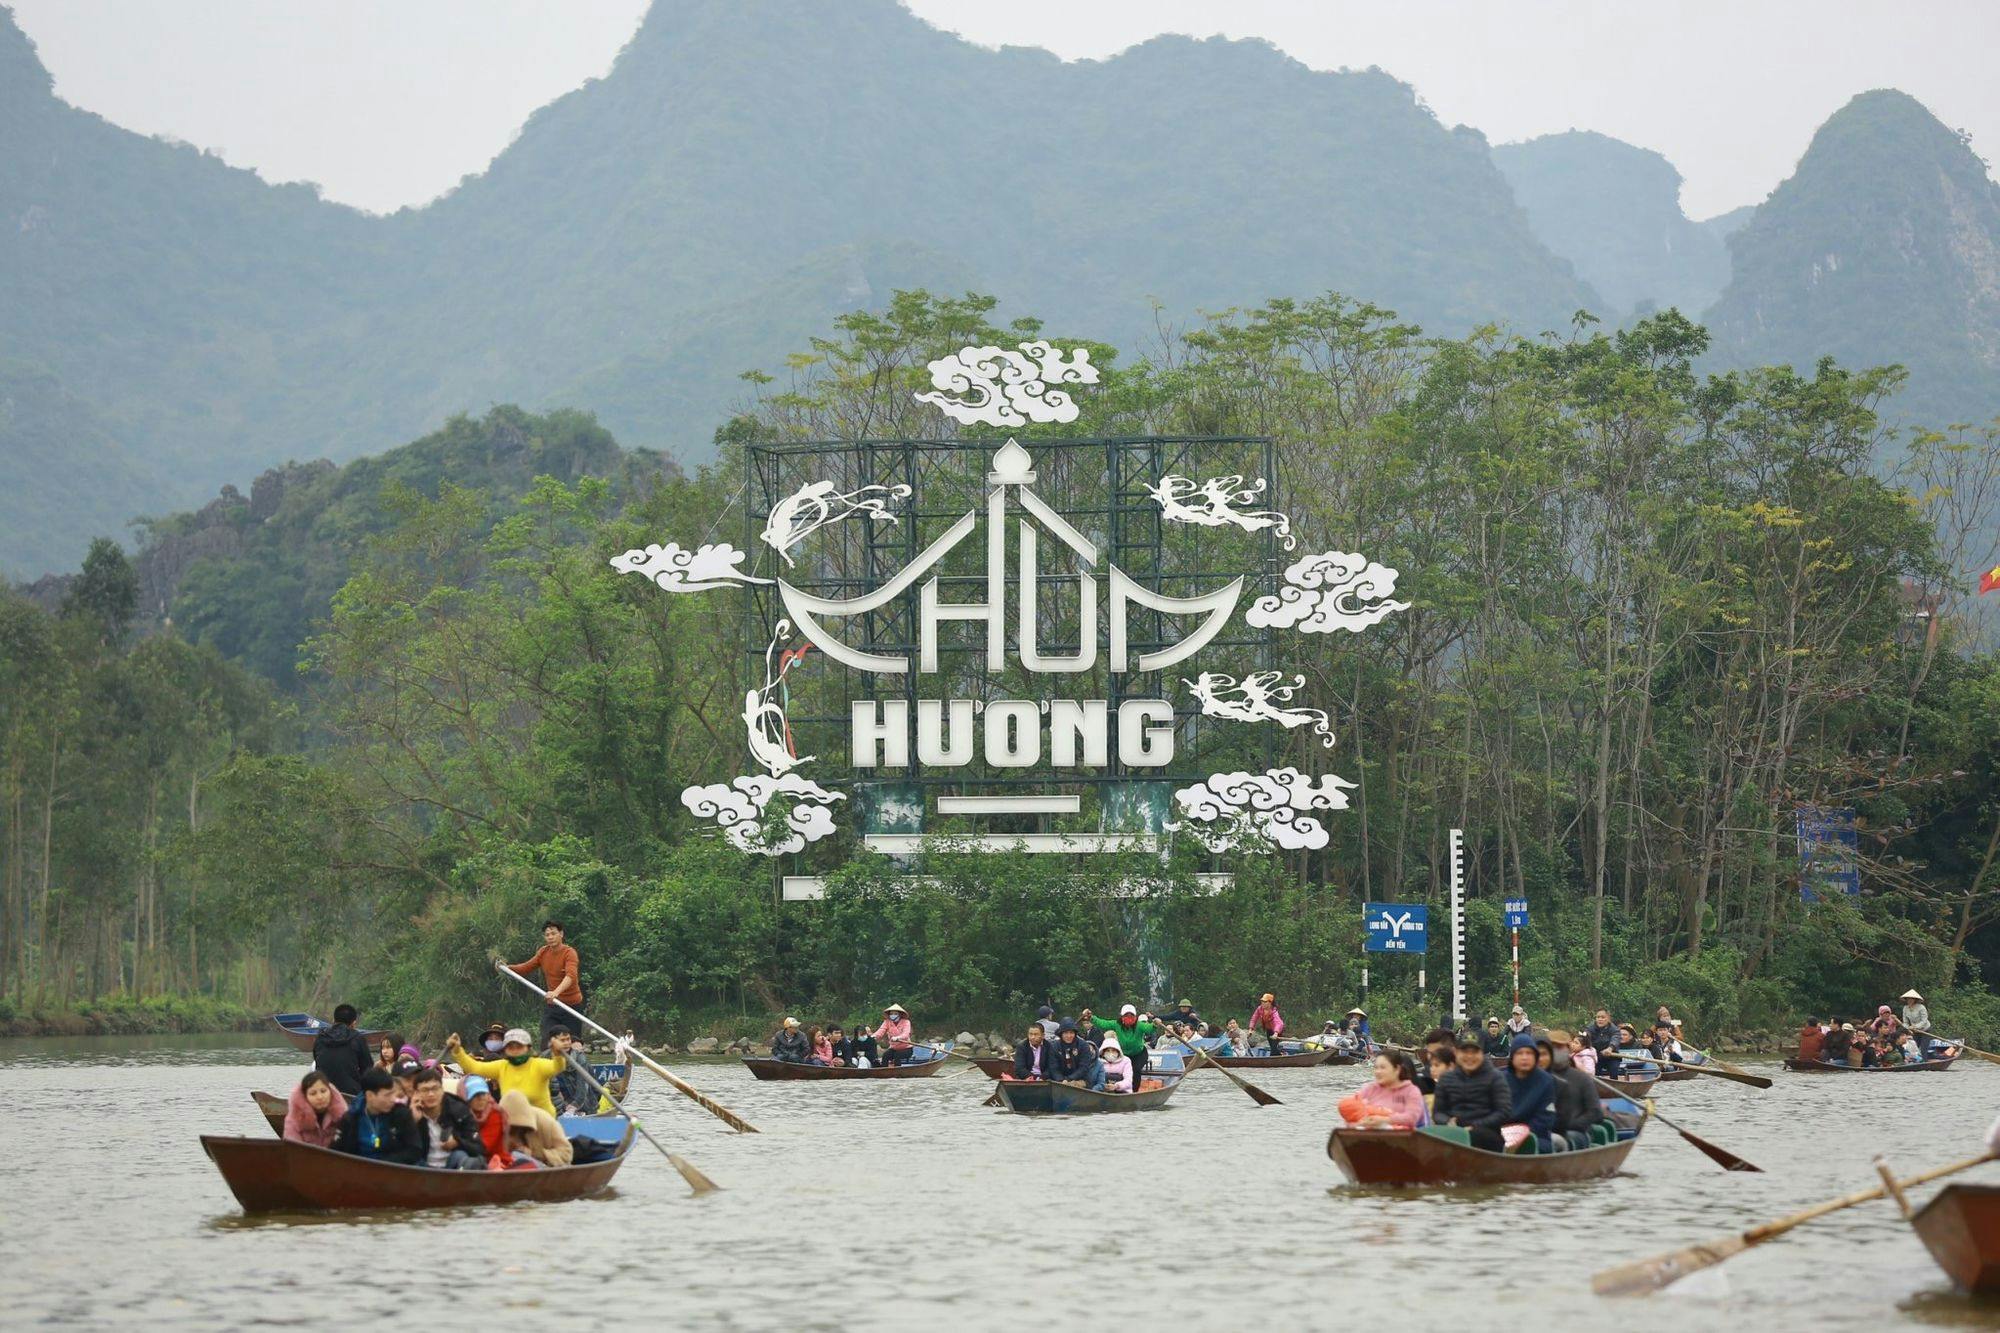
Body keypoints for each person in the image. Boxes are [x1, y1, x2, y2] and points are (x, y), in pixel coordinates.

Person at [446, 1026, 566, 1116]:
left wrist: (557, 1054)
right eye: (510, 1047)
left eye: (519, 1047)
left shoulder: (539, 1065)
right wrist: (457, 1050)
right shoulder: (502, 1066)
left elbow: (557, 1067)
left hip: (541, 1121)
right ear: (505, 1050)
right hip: (513, 1123)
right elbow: (474, 1067)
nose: (515, 1051)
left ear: (528, 1048)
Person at [504, 919, 585, 1047]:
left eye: (553, 933)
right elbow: (526, 967)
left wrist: (555, 993)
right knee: (547, 1042)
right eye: (547, 935)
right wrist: (508, 968)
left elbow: (571, 976)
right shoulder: (543, 952)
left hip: (572, 1006)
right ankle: (548, 1064)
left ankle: (576, 1064)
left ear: (561, 934)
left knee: (574, 1044)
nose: (550, 937)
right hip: (553, 1006)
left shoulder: (569, 953)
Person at [1432, 1035, 1513, 1151]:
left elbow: (1503, 1112)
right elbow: (1438, 1112)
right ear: (1456, 1053)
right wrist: (1448, 1122)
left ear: (1482, 1053)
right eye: (1465, 1052)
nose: (1469, 1056)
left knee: (1476, 1136)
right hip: (1452, 1131)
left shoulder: (1495, 1077)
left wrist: (1476, 1126)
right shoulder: (1446, 1078)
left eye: (1474, 1052)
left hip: (1486, 1134)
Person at [333, 1068, 424, 1164]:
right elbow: (337, 1151)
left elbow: (414, 1150)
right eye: (387, 1095)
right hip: (358, 1170)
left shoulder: (401, 1114)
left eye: (393, 1094)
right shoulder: (351, 1118)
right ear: (370, 1095)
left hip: (393, 1170)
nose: (393, 1099)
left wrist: (383, 1163)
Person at [407, 1064, 487, 1169]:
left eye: (435, 1089)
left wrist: (458, 1142)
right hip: (422, 1167)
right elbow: (401, 1150)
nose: (431, 1094)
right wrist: (411, 1121)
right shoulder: (407, 1111)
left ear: (442, 1090)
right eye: (425, 1090)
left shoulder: (459, 1110)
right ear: (416, 1093)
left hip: (452, 1166)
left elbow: (479, 1148)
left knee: (462, 1157)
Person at [1544, 1029, 1606, 1150]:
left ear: (1568, 1049)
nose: (1556, 1051)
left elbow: (1595, 1113)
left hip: (1576, 1132)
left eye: (1560, 1047)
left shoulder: (1582, 1078)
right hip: (1545, 1129)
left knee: (1561, 1140)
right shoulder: (1541, 1076)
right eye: (1553, 1047)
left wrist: (1570, 1125)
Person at [1338, 1051, 1428, 1128]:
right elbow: (1351, 1111)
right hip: (1368, 1137)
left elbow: (1411, 1119)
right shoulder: (1370, 1089)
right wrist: (1359, 1123)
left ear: (1397, 1069)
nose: (1378, 1071)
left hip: (1403, 1138)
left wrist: (1384, 1120)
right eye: (1376, 1068)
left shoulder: (1411, 1091)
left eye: (1383, 1067)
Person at [1502, 1035, 1557, 1152]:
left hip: (1534, 1135)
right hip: (1503, 1132)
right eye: (1519, 1053)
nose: (1524, 1057)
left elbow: (1546, 1117)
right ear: (1512, 1057)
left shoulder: (1546, 1081)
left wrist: (1520, 1133)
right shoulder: (1499, 1078)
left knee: (1534, 1146)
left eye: (1529, 1053)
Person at [310, 1003, 373, 1099]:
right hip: (352, 1094)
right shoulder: (358, 1038)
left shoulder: (320, 1037)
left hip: (323, 1092)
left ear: (333, 1020)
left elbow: (317, 1061)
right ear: (354, 1023)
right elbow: (368, 1069)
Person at [496, 1090, 573, 1167]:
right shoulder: (494, 1127)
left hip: (547, 1172)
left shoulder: (545, 1121)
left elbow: (566, 1155)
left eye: (517, 1128)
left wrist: (535, 1153)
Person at [1090, 1004, 1157, 1084]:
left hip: (1139, 1054)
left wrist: (1154, 1025)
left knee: (1135, 1070)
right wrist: (1092, 1018)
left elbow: (1149, 1028)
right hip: (1124, 1054)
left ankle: (1134, 1092)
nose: (1129, 1018)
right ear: (1122, 1017)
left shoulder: (1139, 1025)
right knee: (1119, 1070)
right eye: (1126, 1015)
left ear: (1135, 1017)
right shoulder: (1117, 1024)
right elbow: (1103, 1024)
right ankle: (1120, 1088)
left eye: (1131, 1015)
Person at [282, 1070, 348, 1148]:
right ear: (305, 1097)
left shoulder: (343, 1116)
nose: (320, 1097)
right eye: (313, 1093)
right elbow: (293, 1151)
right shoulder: (294, 1120)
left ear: (330, 1092)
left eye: (323, 1091)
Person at [548, 1029, 599, 1114]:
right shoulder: (550, 1060)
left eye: (581, 1051)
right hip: (561, 1106)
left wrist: (574, 1106)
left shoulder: (582, 1061)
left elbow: (587, 1088)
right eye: (562, 1041)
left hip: (585, 1107)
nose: (566, 1043)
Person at [461, 1076, 508, 1162]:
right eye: (475, 1095)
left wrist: (457, 1142)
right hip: (472, 1160)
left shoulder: (495, 1114)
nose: (481, 1098)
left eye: (483, 1094)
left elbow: (484, 1147)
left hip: (498, 1162)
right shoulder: (461, 1114)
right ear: (466, 1098)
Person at [1049, 1019, 1104, 1090]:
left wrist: (1069, 1079)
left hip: (1081, 1079)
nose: (1069, 1036)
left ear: (1075, 1033)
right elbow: (1053, 1067)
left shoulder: (1083, 1045)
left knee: (1073, 1086)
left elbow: (1084, 1067)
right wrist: (1060, 1080)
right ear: (1061, 1034)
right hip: (1059, 1080)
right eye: (1065, 1033)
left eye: (1071, 1033)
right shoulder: (1054, 1046)